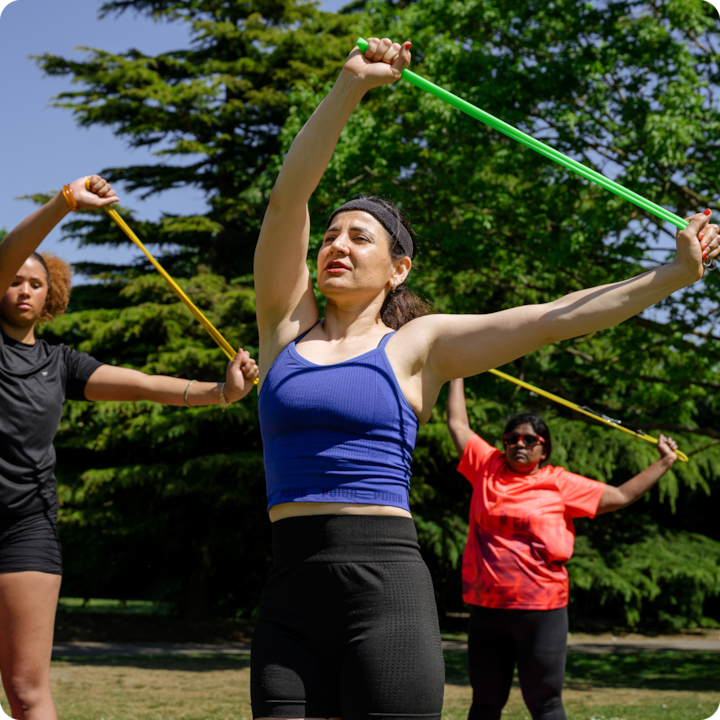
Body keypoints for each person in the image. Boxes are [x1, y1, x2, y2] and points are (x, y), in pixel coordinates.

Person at [251, 35, 718, 720]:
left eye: (359, 237)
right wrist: (350, 85)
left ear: (399, 269)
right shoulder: (282, 330)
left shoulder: (418, 346)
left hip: (385, 591)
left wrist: (670, 276)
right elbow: (289, 203)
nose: (336, 245)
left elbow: (553, 318)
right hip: (289, 589)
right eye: (332, 236)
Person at [0, 175, 259, 720]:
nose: (24, 288)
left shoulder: (60, 363)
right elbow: (7, 255)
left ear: (52, 298)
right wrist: (65, 203)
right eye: (15, 279)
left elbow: (141, 383)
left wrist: (220, 393)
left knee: (27, 692)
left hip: (26, 528)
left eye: (36, 283)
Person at [446, 377, 681, 720]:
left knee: (544, 703)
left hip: (541, 609)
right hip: (487, 607)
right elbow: (457, 423)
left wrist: (664, 463)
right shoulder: (487, 468)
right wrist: (456, 372)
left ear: (545, 450)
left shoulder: (559, 483)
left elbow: (620, 496)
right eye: (512, 438)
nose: (519, 444)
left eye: (530, 439)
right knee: (484, 703)